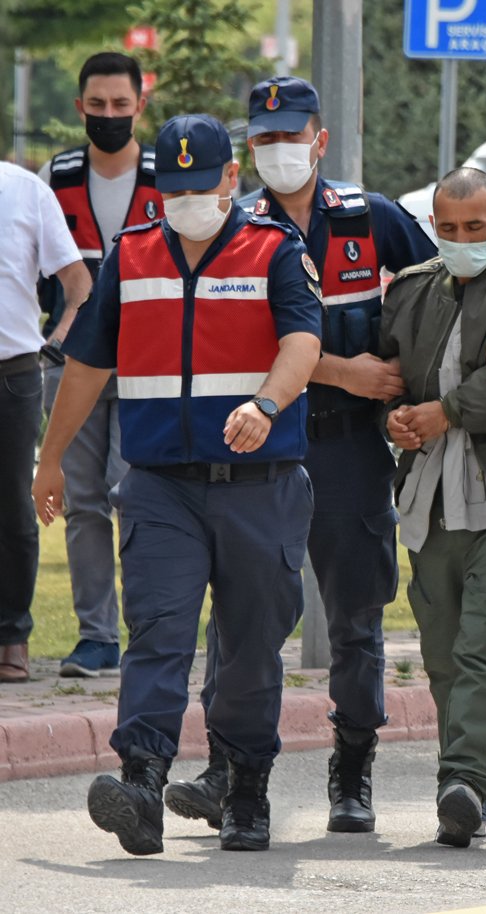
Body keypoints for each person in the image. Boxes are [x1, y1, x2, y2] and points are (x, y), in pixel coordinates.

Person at [31, 114, 322, 855]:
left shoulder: (275, 250)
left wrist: (266, 402)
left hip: (262, 483)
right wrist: (52, 456)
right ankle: (141, 785)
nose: (186, 200)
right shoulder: (131, 258)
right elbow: (88, 363)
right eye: (173, 188)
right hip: (160, 484)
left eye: (202, 185)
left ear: (232, 178)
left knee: (254, 645)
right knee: (156, 634)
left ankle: (247, 786)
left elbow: (303, 341)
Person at [163, 76, 435, 836]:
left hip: (349, 450)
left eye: (294, 134)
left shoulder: (370, 218)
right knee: (245, 621)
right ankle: (229, 770)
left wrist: (420, 388)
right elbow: (243, 342)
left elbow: (437, 295)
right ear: (250, 148)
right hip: (261, 451)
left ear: (320, 139)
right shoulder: (230, 228)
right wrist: (347, 370)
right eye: (266, 138)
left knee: (355, 618)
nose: (281, 149)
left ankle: (353, 771)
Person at [380, 166, 486, 847]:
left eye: (474, 228)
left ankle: (465, 784)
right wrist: (394, 419)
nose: (460, 240)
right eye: (447, 229)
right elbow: (389, 380)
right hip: (428, 501)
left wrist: (444, 412)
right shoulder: (414, 290)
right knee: (443, 651)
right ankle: (463, 778)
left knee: (482, 645)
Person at [39, 52, 162, 678]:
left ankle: (147, 630)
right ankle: (95, 637)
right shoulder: (54, 176)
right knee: (83, 500)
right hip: (73, 362)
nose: (109, 116)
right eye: (97, 105)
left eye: (121, 105)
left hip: (150, 368)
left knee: (135, 493)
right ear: (79, 106)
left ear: (140, 105)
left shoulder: (171, 174)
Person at [0, 164, 91, 685]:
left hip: (12, 376)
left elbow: (79, 285)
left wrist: (56, 342)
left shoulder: (28, 191)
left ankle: (11, 635)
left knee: (12, 508)